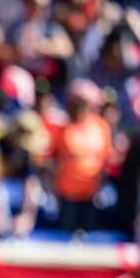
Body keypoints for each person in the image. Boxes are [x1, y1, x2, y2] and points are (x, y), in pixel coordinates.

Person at [52, 79, 113, 235]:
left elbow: (106, 158)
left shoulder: (101, 126)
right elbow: (53, 159)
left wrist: (101, 183)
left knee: (90, 238)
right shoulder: (61, 126)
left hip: (92, 194)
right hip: (68, 195)